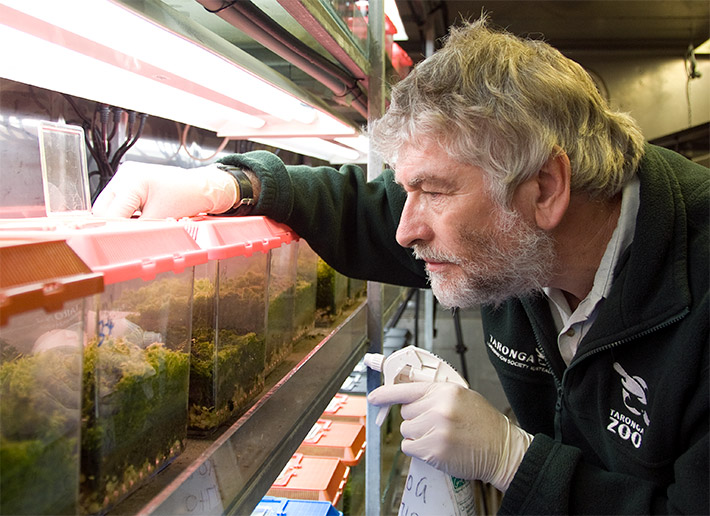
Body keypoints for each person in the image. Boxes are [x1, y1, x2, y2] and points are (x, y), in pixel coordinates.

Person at [93, 17, 709, 515]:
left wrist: (513, 460)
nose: (405, 229)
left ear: (545, 187)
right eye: (408, 190)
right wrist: (223, 184)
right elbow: (358, 205)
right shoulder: (517, 238)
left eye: (434, 193)